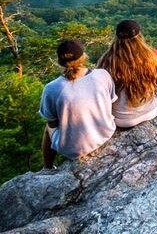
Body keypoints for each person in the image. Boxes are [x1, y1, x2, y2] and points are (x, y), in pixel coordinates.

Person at [40, 40, 117, 169]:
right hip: (105, 134)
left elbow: (52, 123)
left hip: (73, 150)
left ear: (59, 61)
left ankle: (47, 167)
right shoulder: (102, 75)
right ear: (83, 56)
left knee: (48, 129)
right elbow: (111, 104)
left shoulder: (51, 88)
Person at [97, 19, 157, 128]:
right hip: (153, 109)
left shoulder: (106, 62)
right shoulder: (151, 56)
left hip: (122, 118)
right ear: (139, 36)